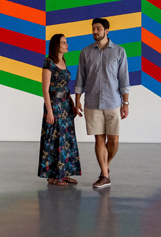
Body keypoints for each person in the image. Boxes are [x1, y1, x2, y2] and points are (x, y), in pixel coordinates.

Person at [74, 18, 130, 189]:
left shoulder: (119, 52)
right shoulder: (85, 52)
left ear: (107, 31)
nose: (95, 32)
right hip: (92, 102)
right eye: (93, 29)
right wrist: (77, 100)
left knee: (113, 140)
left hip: (113, 102)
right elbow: (80, 78)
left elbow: (124, 79)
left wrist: (126, 103)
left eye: (98, 29)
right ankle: (105, 175)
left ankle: (106, 165)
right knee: (99, 138)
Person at [39, 33, 81, 186]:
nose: (67, 45)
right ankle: (53, 176)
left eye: (66, 42)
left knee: (66, 139)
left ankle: (64, 173)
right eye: (64, 42)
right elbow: (45, 89)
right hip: (54, 104)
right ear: (57, 45)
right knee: (54, 139)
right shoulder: (48, 63)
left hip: (65, 105)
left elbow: (65, 87)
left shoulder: (63, 61)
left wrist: (72, 104)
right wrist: (49, 111)